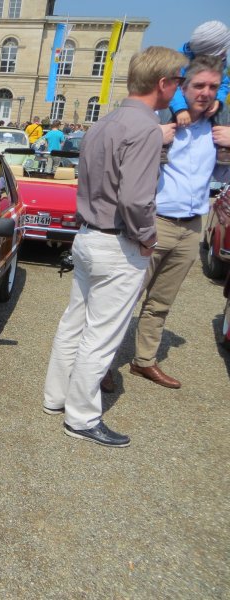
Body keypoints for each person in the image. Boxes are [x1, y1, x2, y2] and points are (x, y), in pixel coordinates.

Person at [42, 46, 187, 448]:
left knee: (75, 322)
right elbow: (137, 200)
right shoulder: (143, 129)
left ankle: (56, 398)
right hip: (117, 241)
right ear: (162, 84)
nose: (178, 89)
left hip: (88, 234)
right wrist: (148, 238)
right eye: (176, 81)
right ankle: (82, 418)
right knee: (100, 335)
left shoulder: (103, 124)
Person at [128, 56, 230, 389]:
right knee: (125, 297)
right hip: (155, 221)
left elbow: (221, 175)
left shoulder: (216, 132)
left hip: (191, 226)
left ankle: (143, 360)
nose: (205, 92)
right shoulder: (159, 122)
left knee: (161, 301)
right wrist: (155, 136)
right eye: (198, 85)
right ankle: (98, 366)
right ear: (181, 87)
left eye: (213, 86)